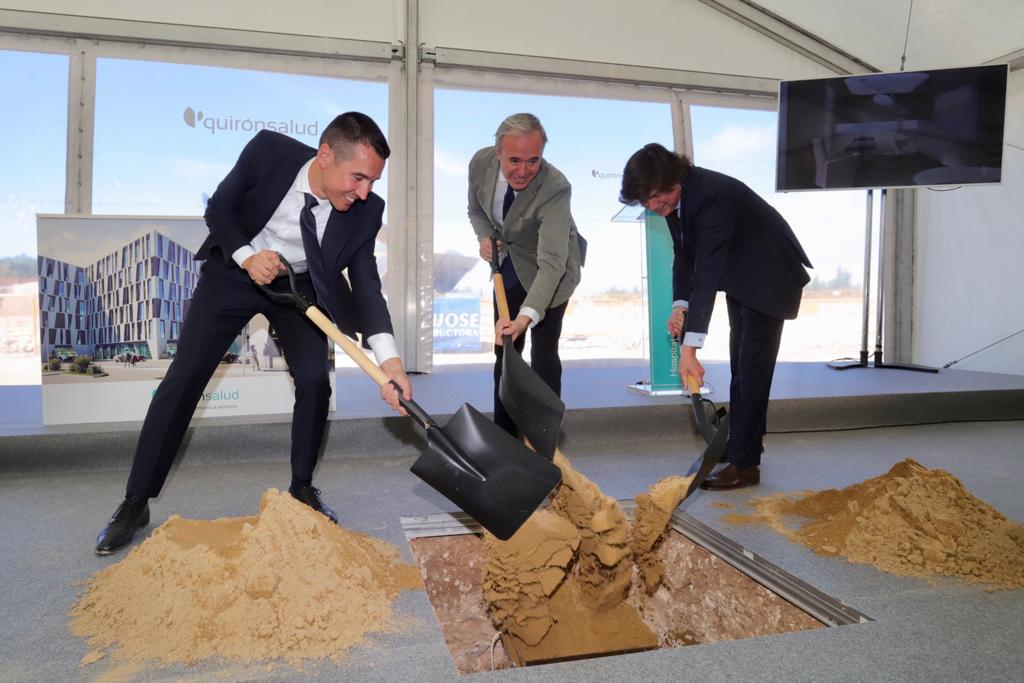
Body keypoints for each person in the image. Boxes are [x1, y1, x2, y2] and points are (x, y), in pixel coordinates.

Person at [95, 112, 411, 554]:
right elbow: (219, 209)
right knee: (183, 380)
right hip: (235, 273)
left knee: (317, 382)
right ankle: (134, 501)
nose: (364, 193)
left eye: (372, 182)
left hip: (301, 288)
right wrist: (246, 255)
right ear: (324, 155)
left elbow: (366, 283)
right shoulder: (269, 153)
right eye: (357, 178)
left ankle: (302, 487)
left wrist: (389, 361)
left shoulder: (366, 210)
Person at [619, 143, 812, 490]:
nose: (651, 206)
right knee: (742, 364)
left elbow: (707, 272)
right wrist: (680, 305)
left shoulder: (712, 196)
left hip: (770, 277)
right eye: (644, 201)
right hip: (744, 277)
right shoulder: (679, 199)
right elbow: (684, 255)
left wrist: (690, 350)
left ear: (672, 178)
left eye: (654, 197)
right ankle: (742, 443)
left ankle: (745, 465)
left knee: (752, 368)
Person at [467, 113, 583, 439]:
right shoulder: (479, 165)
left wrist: (525, 318)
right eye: (514, 160)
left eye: (533, 161)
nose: (522, 171)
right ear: (497, 153)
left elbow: (551, 263)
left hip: (552, 272)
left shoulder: (555, 188)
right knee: (505, 352)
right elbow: (476, 211)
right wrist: (485, 237)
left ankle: (544, 439)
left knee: (543, 352)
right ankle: (505, 438)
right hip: (507, 265)